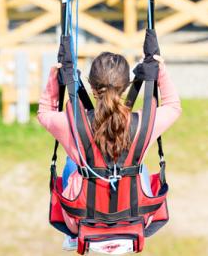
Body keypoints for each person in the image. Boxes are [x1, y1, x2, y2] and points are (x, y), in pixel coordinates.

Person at [38, 52, 182, 251]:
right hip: (137, 218)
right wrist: (160, 71)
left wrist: (55, 78)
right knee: (139, 166)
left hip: (79, 222)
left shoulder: (72, 125)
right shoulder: (143, 125)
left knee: (72, 163)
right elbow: (173, 107)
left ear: (92, 87)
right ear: (126, 86)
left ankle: (71, 238)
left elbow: (45, 113)